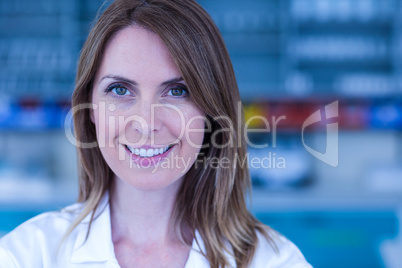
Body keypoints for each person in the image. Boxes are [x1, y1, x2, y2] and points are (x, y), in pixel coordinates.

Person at [0, 0, 312, 267]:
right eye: (120, 89)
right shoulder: (27, 255)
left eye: (177, 91)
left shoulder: (273, 261)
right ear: (90, 109)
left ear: (211, 113)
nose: (146, 123)